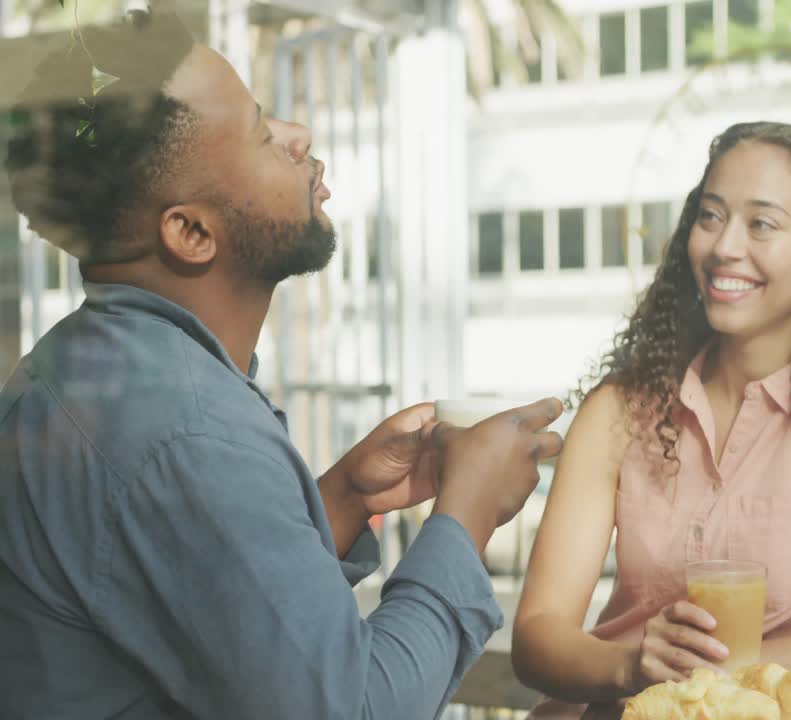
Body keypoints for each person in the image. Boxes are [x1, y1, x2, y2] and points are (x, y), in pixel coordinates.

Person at [0, 6, 562, 718]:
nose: (299, 139)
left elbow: (192, 595)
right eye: (263, 134)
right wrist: (465, 517)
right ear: (192, 231)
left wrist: (344, 499)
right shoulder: (188, 429)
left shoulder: (89, 368)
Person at [510, 122, 791, 712]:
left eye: (762, 224)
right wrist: (629, 663)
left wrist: (712, 673)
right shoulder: (619, 410)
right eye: (711, 216)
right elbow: (537, 635)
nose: (725, 246)